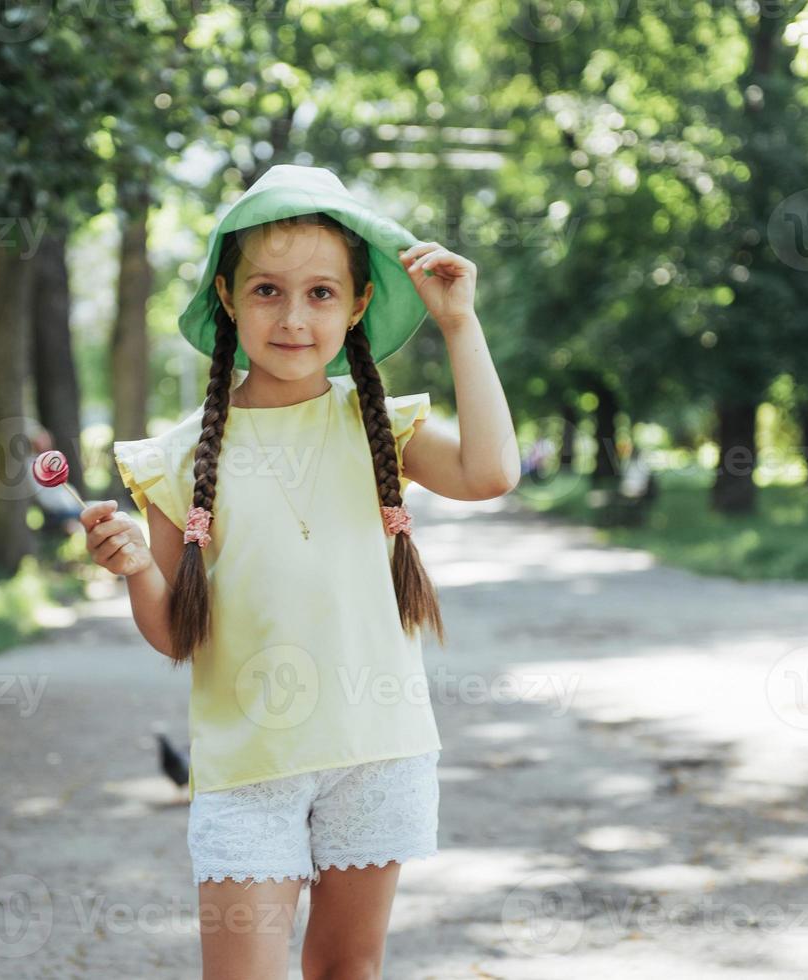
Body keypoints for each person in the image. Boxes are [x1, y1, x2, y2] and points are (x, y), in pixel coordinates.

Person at [79, 164, 518, 980]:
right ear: (226, 297)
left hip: (375, 754)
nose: (292, 317)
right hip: (246, 770)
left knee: (346, 968)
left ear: (355, 306)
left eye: (320, 294)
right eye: (267, 291)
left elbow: (491, 473)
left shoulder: (381, 427)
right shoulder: (176, 461)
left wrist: (460, 324)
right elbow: (176, 633)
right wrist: (137, 568)